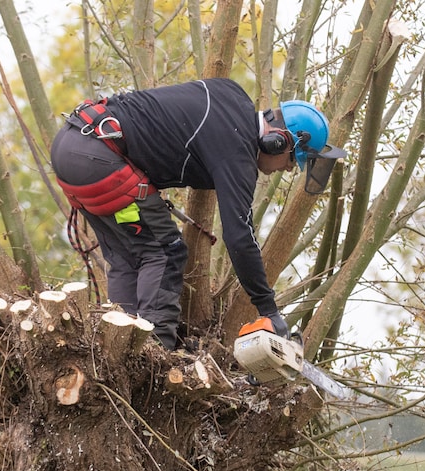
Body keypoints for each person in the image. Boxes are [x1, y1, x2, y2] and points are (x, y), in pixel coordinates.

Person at [50, 78, 345, 350]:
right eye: (293, 159)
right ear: (277, 141)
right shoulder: (238, 152)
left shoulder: (232, 97)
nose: (289, 168)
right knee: (165, 251)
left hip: (73, 145)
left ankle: (117, 349)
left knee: (130, 257)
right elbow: (240, 237)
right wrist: (268, 309)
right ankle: (153, 353)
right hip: (100, 158)